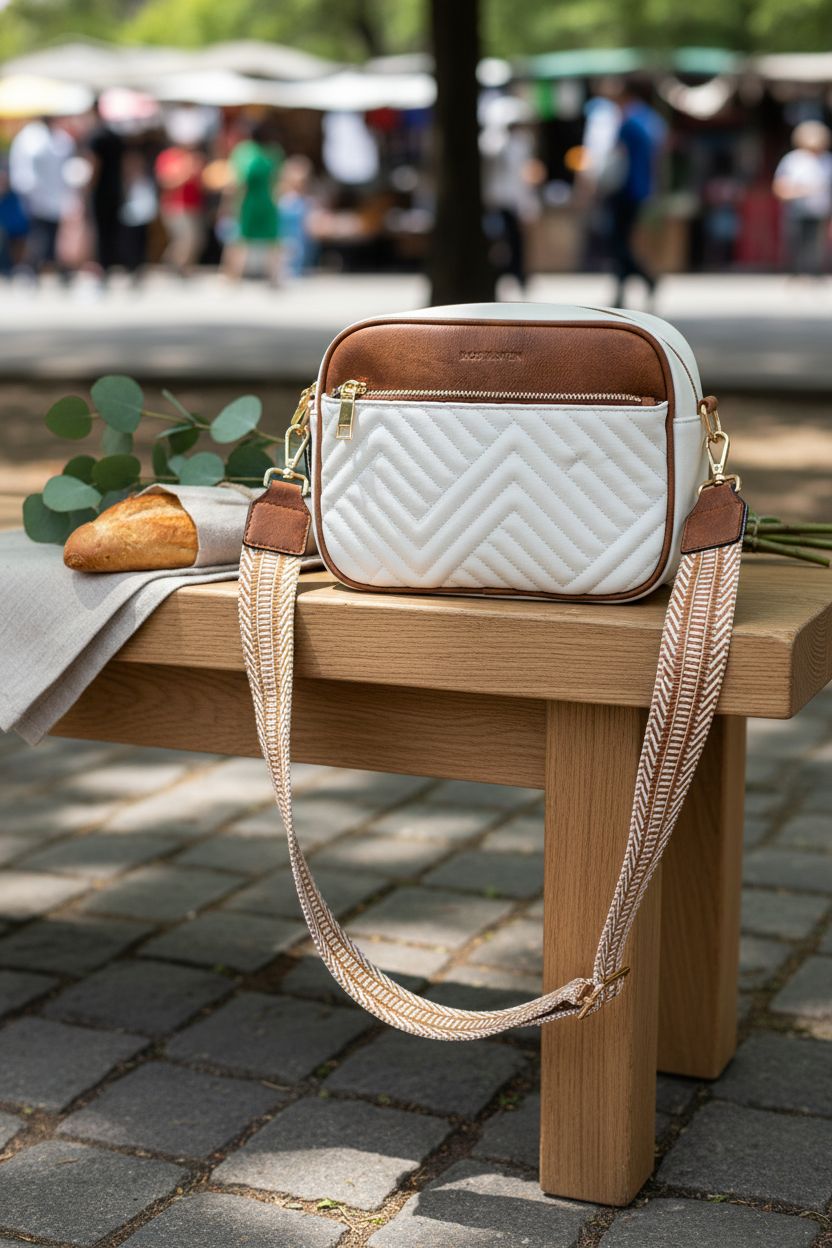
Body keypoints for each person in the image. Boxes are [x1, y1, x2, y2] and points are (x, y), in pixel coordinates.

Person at [605, 81, 667, 309]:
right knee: (622, 240)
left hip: (624, 189)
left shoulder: (628, 122)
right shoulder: (652, 120)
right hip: (641, 189)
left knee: (618, 242)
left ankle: (646, 278)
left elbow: (616, 155)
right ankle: (620, 291)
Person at [9, 116, 74, 281]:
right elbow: (22, 167)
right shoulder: (29, 137)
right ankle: (32, 269)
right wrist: (27, 189)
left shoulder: (60, 137)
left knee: (56, 235)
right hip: (35, 197)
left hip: (56, 197)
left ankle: (58, 269)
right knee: (37, 236)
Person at [224, 123, 283, 285]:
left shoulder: (272, 151)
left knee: (270, 240)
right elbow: (237, 181)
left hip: (263, 201)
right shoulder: (245, 151)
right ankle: (232, 277)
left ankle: (274, 276)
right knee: (241, 239)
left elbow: (277, 180)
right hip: (249, 202)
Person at [773, 121, 832, 278]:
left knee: (817, 245)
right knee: (796, 243)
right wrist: (801, 191)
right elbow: (780, 186)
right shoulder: (793, 160)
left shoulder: (828, 160)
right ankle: (796, 274)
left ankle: (815, 274)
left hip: (820, 210)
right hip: (796, 209)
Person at [85, 99, 125, 279]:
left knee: (100, 231)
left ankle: (102, 266)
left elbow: (94, 164)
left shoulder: (96, 136)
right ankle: (110, 264)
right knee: (112, 230)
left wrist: (88, 188)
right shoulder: (115, 135)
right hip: (116, 189)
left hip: (101, 191)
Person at [154, 140, 205, 277]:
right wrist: (186, 172)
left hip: (193, 206)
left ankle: (180, 266)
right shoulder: (167, 157)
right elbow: (165, 182)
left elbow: (201, 185)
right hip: (175, 207)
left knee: (196, 240)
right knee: (183, 239)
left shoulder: (194, 158)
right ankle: (175, 266)